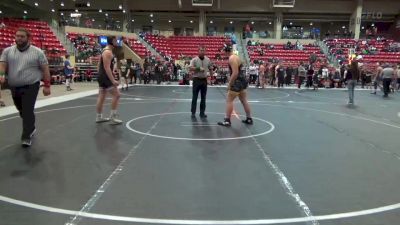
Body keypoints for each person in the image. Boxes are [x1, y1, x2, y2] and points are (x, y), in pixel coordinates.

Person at [0, 28, 51, 147]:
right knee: (22, 110)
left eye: (22, 36)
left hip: (31, 85)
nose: (19, 38)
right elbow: (2, 64)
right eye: (17, 36)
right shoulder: (7, 51)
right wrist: (1, 75)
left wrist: (47, 85)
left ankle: (26, 136)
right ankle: (31, 127)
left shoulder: (38, 52)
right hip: (14, 86)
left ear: (28, 38)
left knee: (27, 110)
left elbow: (45, 69)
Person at [218, 44, 252, 127]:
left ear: (227, 51)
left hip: (237, 82)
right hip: (243, 81)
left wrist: (230, 83)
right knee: (244, 100)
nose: (224, 55)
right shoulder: (236, 57)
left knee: (229, 100)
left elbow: (235, 72)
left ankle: (227, 120)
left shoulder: (232, 58)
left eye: (224, 53)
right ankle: (249, 118)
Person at [95, 36, 122, 125]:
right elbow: (106, 68)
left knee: (102, 96)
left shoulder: (104, 51)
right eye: (115, 40)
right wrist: (113, 80)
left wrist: (100, 75)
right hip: (105, 76)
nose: (117, 42)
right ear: (112, 41)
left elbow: (99, 65)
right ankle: (113, 117)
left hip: (102, 76)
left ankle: (99, 117)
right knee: (117, 95)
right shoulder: (108, 52)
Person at [189, 46, 212, 118]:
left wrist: (211, 76)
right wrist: (198, 68)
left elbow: (210, 68)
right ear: (198, 51)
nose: (202, 52)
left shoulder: (208, 60)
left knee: (203, 98)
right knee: (195, 97)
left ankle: (202, 113)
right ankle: (193, 112)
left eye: (203, 50)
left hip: (204, 80)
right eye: (201, 50)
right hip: (196, 80)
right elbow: (190, 68)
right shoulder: (194, 60)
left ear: (205, 51)